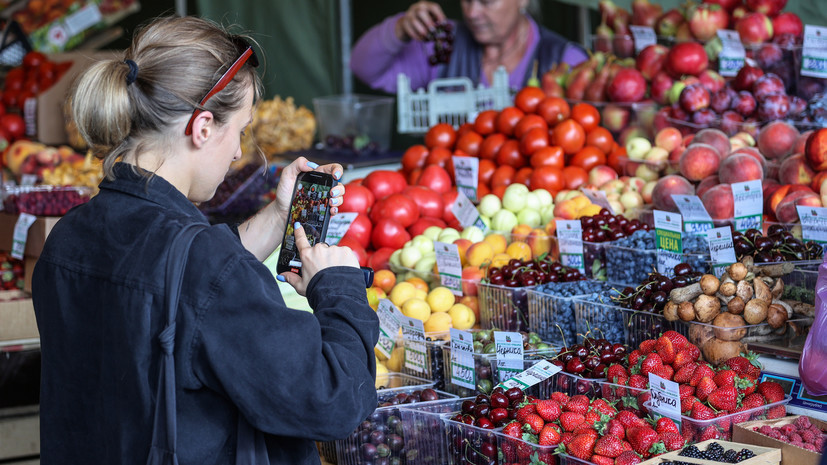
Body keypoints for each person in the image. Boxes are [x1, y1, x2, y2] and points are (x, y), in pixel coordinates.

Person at [31, 15, 379, 465]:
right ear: (203, 128)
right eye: (240, 131)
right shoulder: (207, 267)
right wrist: (339, 288)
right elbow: (333, 401)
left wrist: (278, 216)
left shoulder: (68, 237)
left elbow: (183, 285)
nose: (238, 152)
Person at [350, 0, 587, 93]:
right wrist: (399, 29)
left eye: (486, 2)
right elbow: (363, 68)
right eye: (466, 0)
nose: (472, 13)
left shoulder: (565, 59)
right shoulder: (442, 44)